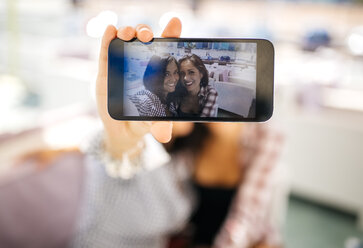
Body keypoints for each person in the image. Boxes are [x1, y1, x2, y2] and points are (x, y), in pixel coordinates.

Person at [167, 122, 284, 248]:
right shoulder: (186, 128)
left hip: (245, 238)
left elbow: (248, 214)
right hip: (189, 237)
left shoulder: (266, 136)